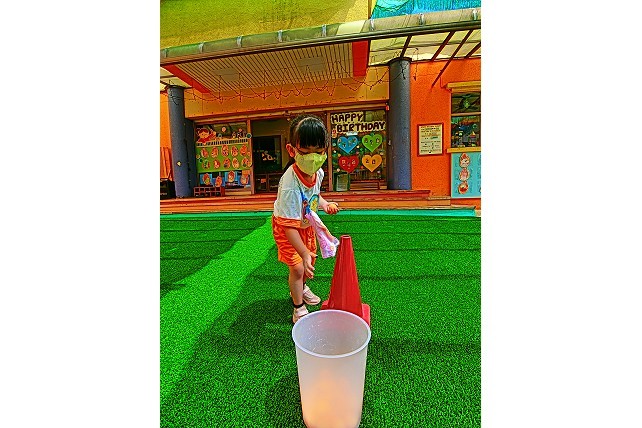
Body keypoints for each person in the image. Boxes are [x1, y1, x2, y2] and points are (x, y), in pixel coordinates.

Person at [272, 115, 340, 323]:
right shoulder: (289, 185)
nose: (313, 158)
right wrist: (303, 252)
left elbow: (314, 195)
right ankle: (298, 307)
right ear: (292, 150)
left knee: (307, 263)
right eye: (305, 152)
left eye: (318, 152)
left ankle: (300, 288)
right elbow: (288, 228)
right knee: (298, 266)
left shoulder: (318, 173)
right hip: (287, 227)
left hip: (305, 223)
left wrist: (325, 204)